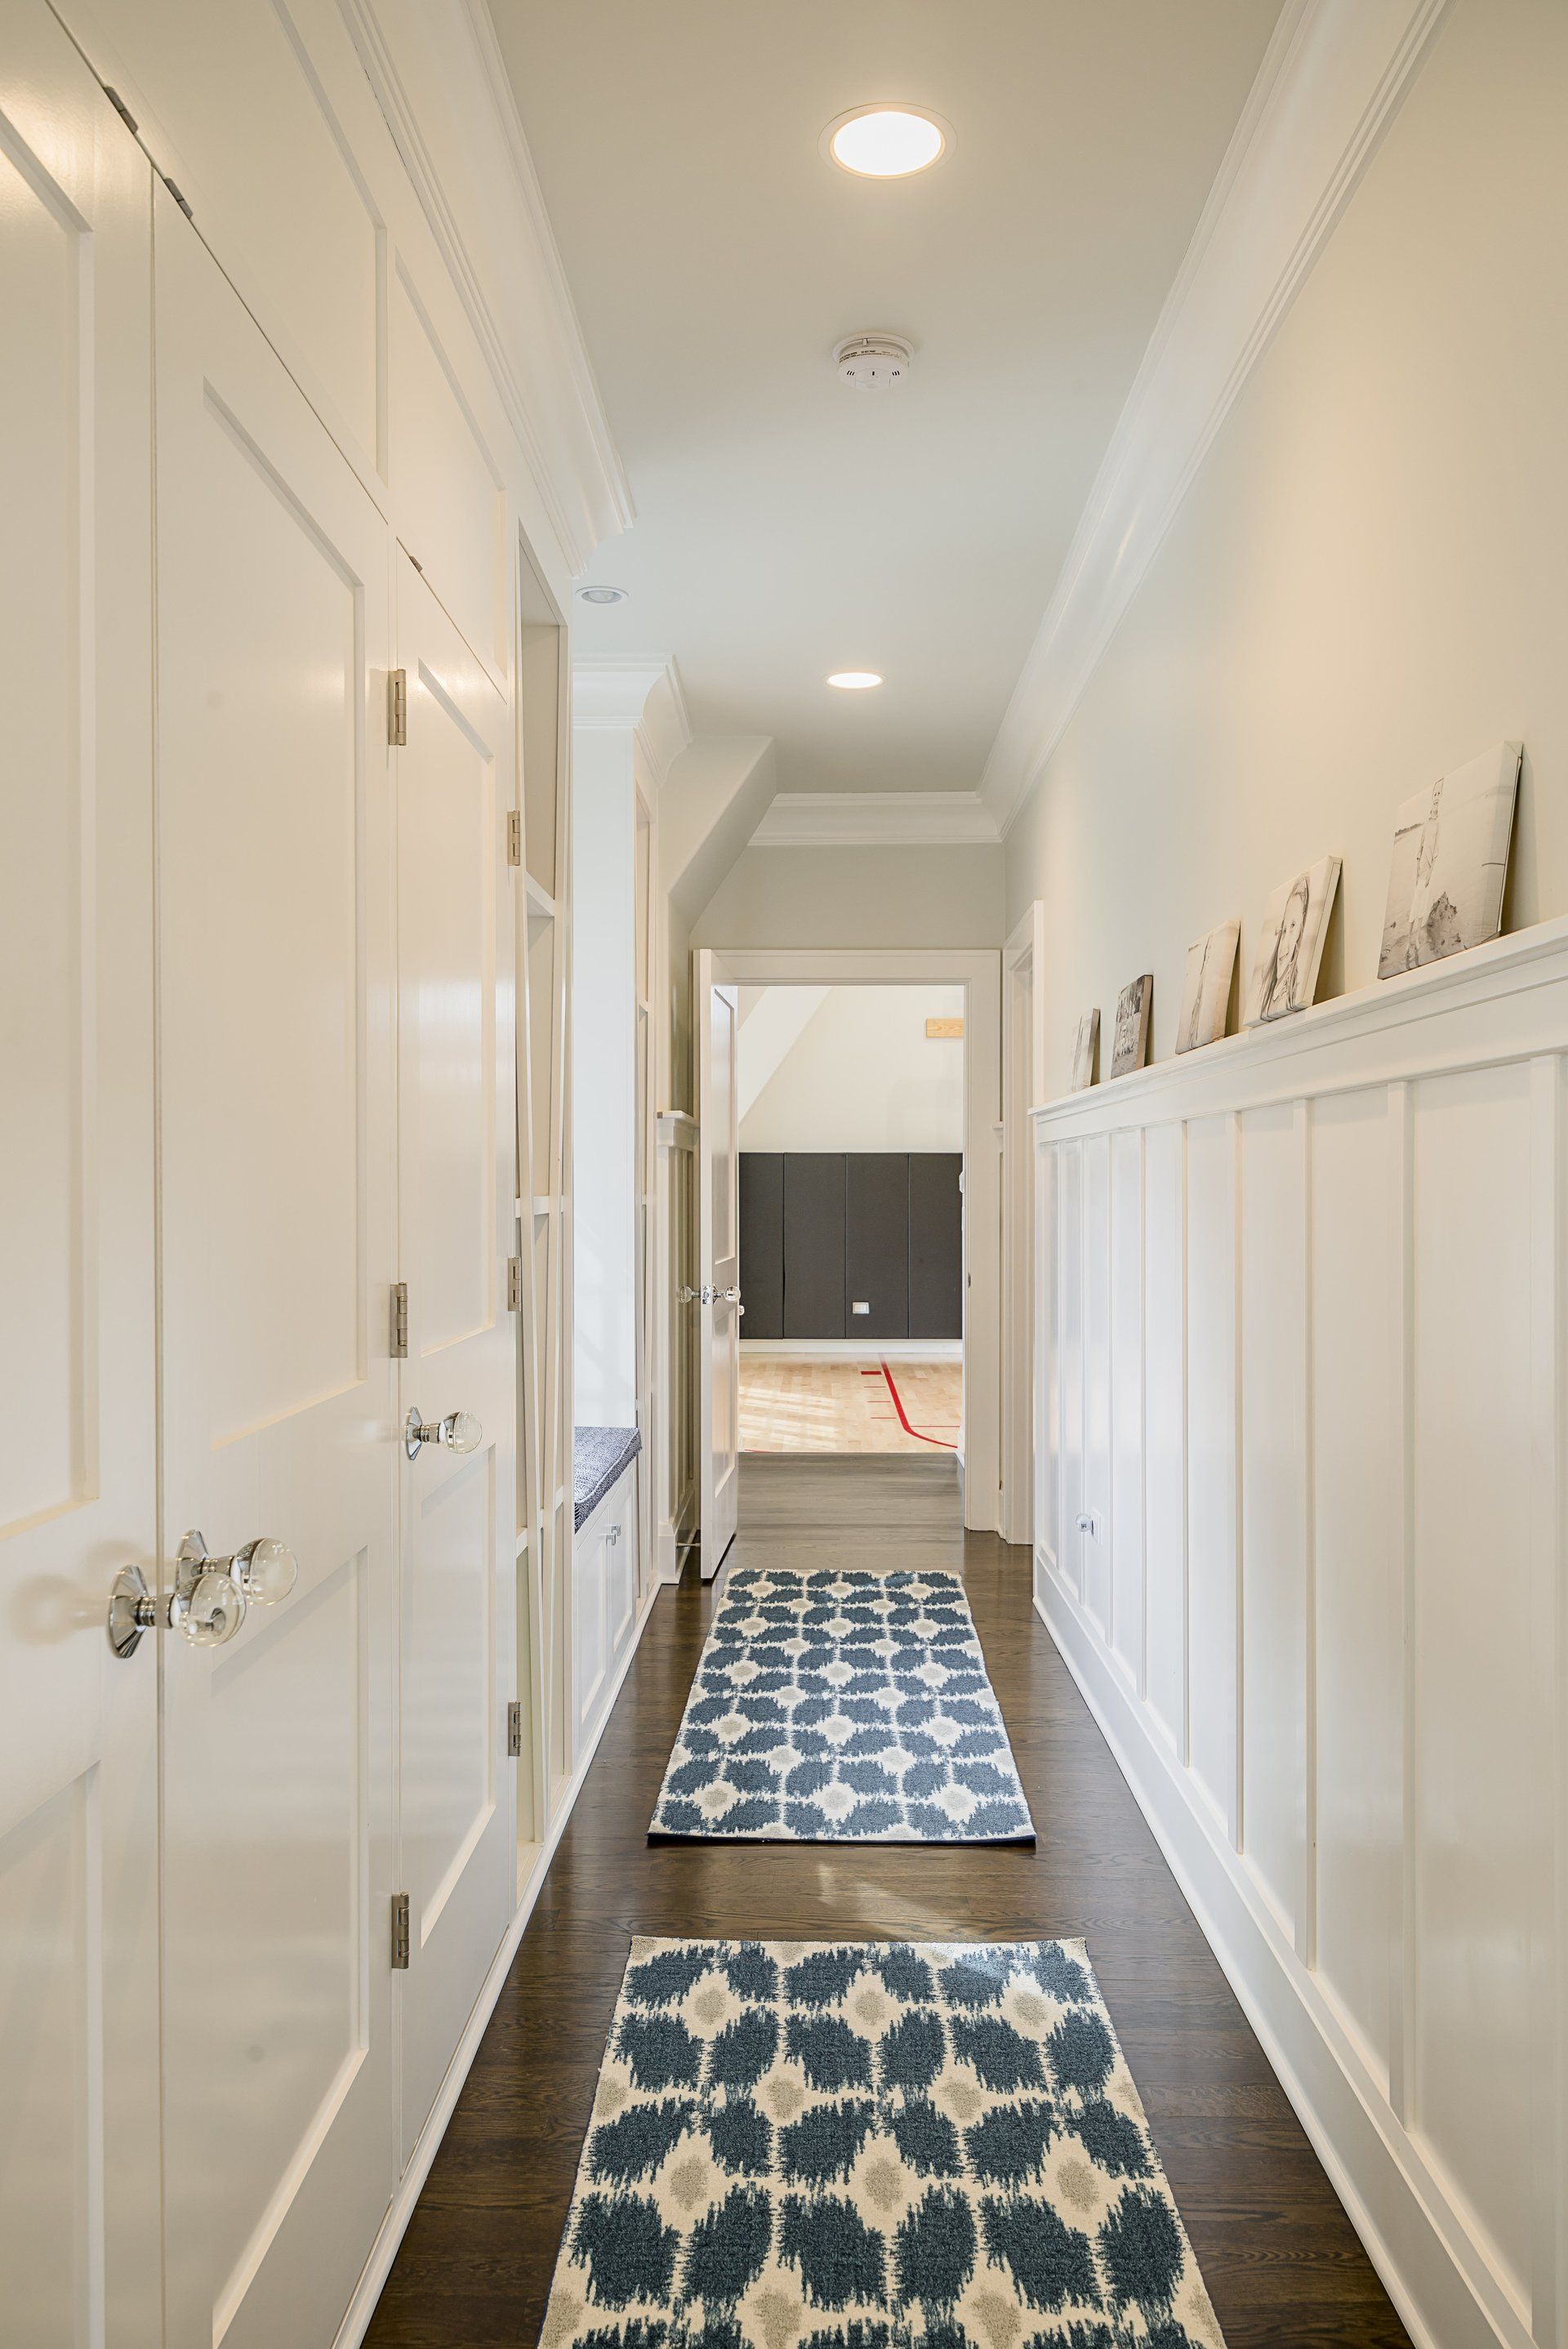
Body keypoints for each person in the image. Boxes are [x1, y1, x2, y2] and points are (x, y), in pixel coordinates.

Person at [1257, 871, 1310, 1020]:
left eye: (1293, 926)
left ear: (1301, 932)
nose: (1284, 946)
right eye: (1284, 929)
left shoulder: (1293, 989)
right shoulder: (1268, 993)